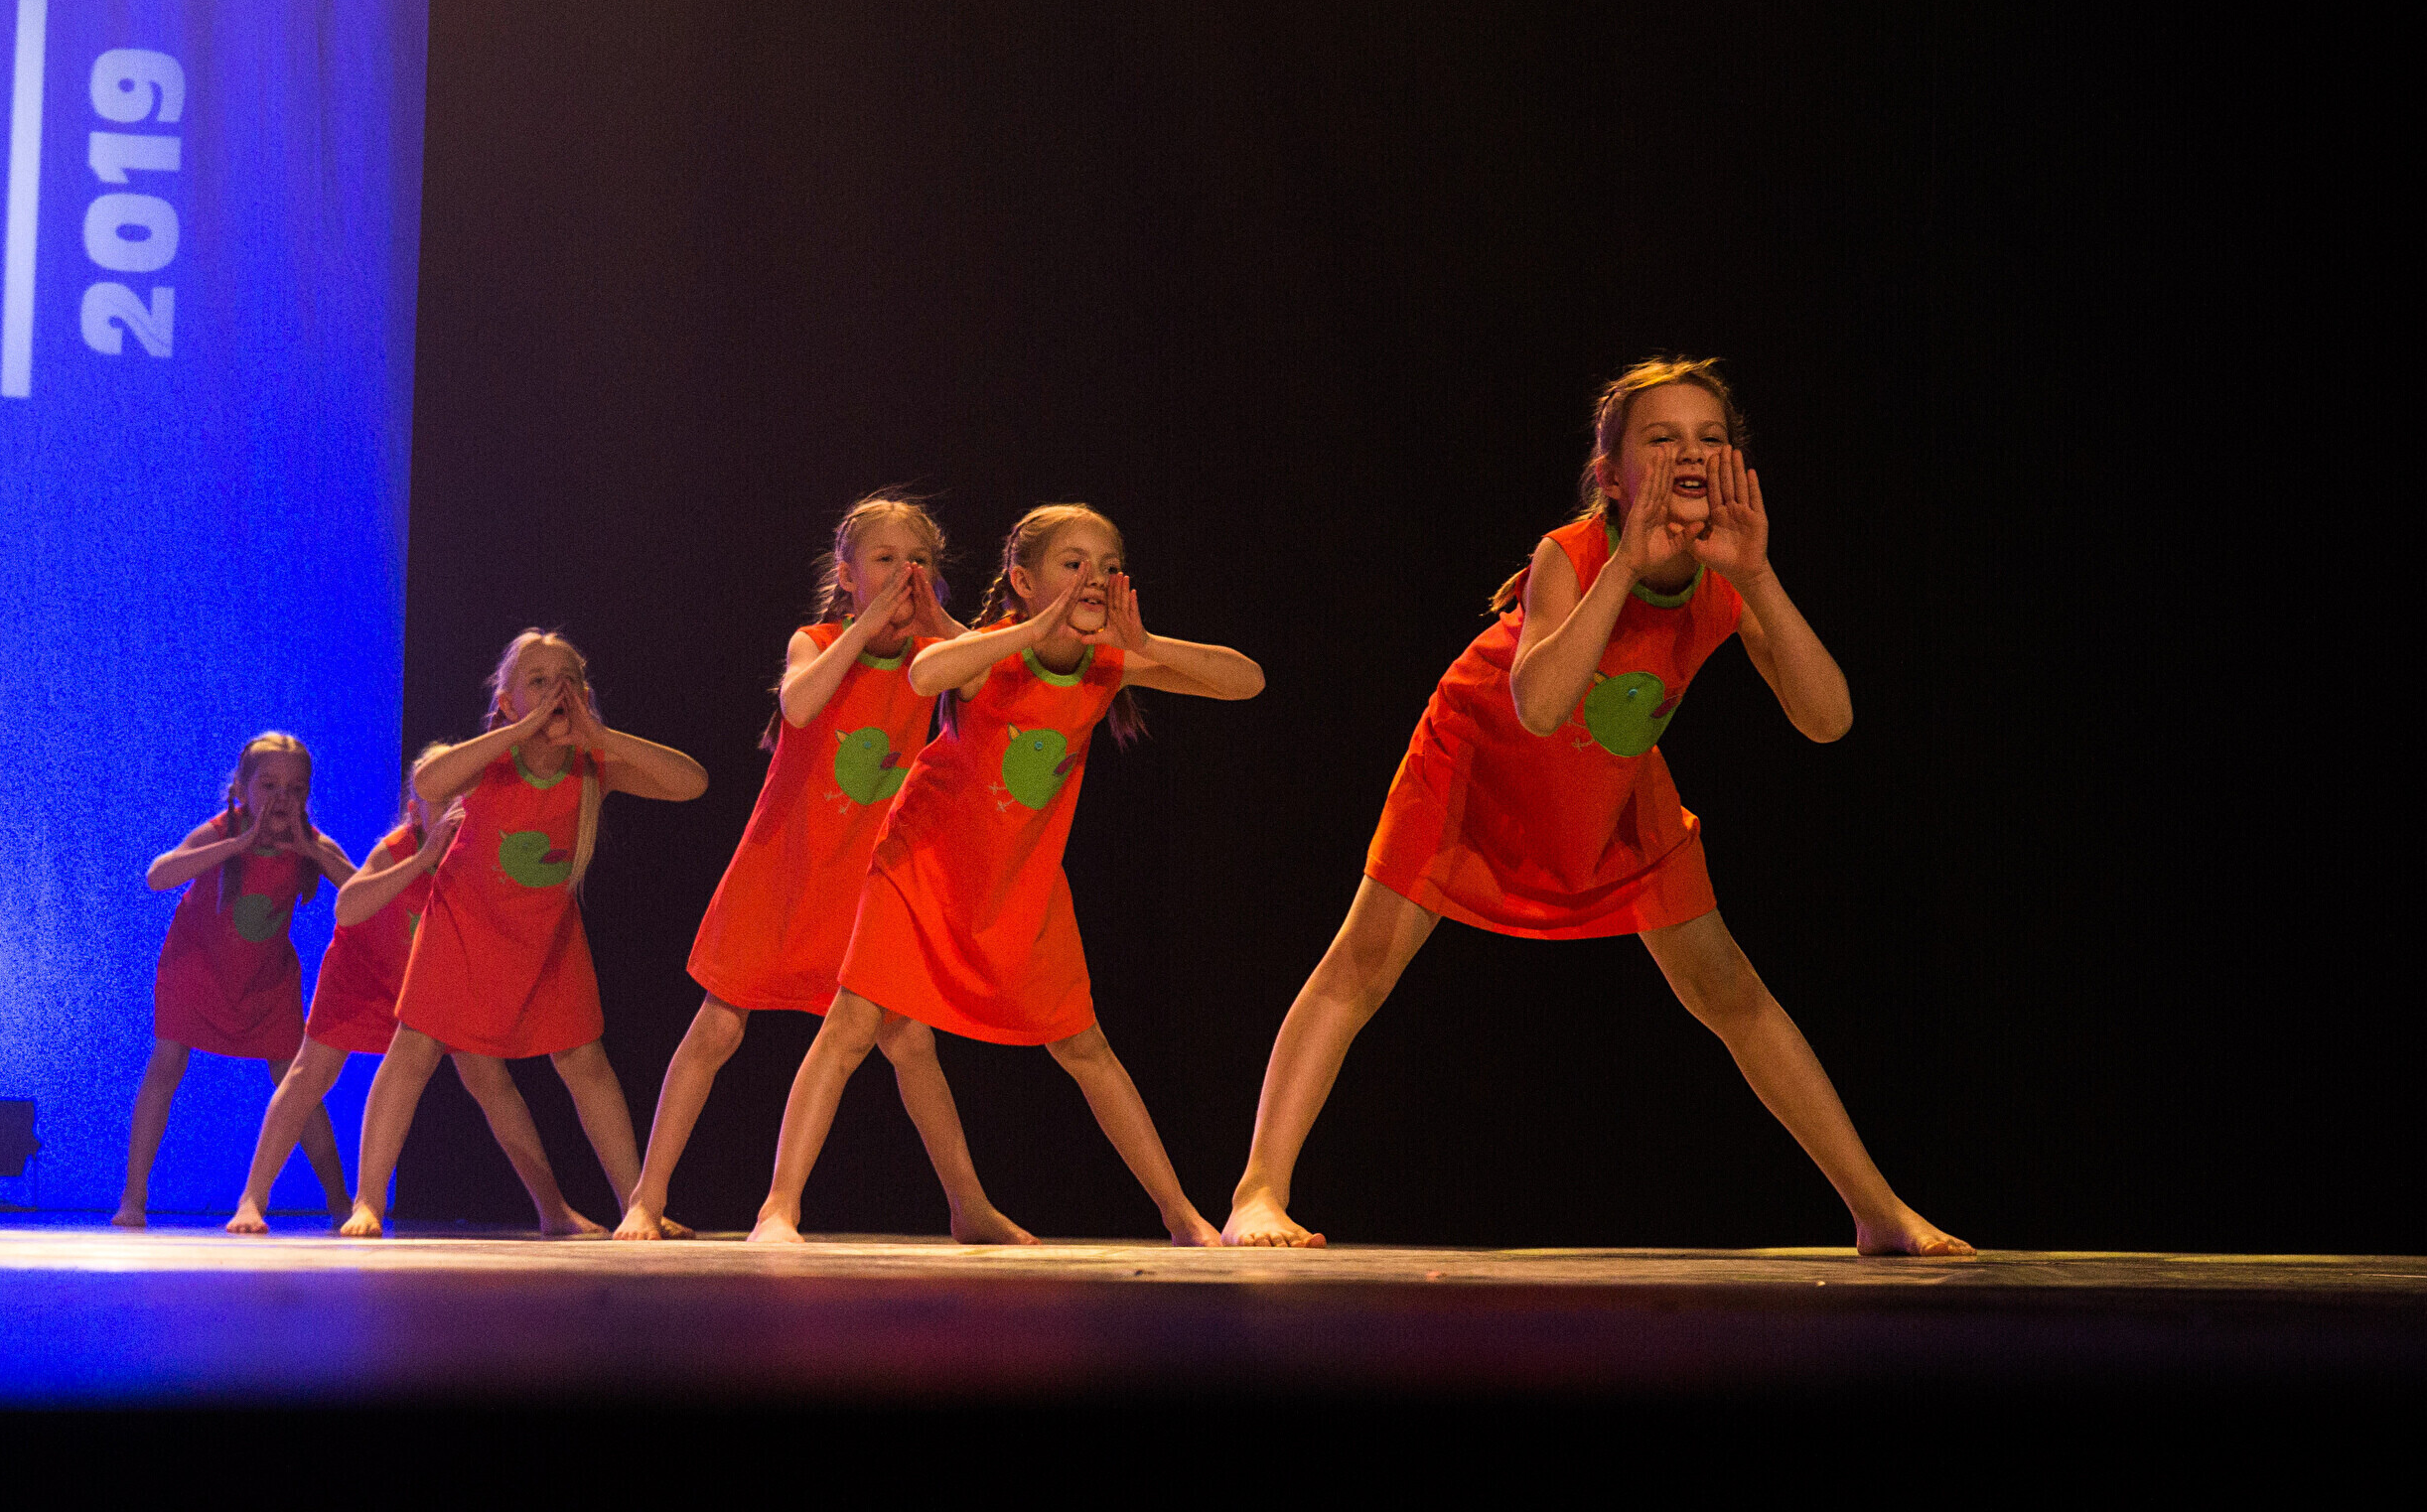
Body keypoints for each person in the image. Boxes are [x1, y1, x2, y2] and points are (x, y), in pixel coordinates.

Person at [1221, 357, 1970, 1256]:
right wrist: (1623, 565)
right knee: (1364, 963)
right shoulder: (1569, 554)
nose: (1689, 453)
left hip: (1611, 785)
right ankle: (1258, 1191)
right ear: (1612, 476)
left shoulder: (1726, 577)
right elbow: (1539, 706)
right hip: (1478, 763)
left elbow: (1828, 720)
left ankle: (1877, 1211)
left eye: (1710, 437)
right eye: (1662, 439)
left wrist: (1759, 576)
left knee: (1729, 989)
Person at [750, 503, 1262, 1247]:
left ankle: (1180, 1215)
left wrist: (1146, 642)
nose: (1095, 578)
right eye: (1073, 564)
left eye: (1108, 566)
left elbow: (1244, 682)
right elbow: (927, 672)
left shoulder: (1105, 665)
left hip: (1020, 885)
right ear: (1023, 580)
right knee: (852, 1026)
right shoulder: (991, 654)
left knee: (1084, 1047)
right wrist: (1030, 628)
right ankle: (778, 1209)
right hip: (922, 870)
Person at [619, 494, 1030, 1242]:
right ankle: (646, 1198)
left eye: (920, 562)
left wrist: (935, 619)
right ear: (846, 574)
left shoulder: (932, 656)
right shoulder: (815, 640)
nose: (905, 573)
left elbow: (989, 679)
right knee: (717, 1028)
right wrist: (866, 626)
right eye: (886, 560)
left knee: (910, 1042)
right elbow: (800, 705)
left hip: (869, 883)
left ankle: (968, 1206)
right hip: (785, 868)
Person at [338, 630, 707, 1238]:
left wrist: (602, 736)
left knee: (585, 1062)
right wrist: (518, 729)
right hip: (463, 932)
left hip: (546, 940)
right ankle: (368, 1201)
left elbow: (692, 782)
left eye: (568, 682)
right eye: (538, 681)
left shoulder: (590, 767)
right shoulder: (489, 763)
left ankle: (638, 1204)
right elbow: (428, 782)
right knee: (414, 1051)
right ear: (507, 702)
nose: (556, 692)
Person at [224, 752, 610, 1234]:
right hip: (364, 975)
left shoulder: (479, 852)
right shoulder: (397, 848)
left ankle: (553, 1210)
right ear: (415, 811)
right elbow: (348, 907)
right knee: (308, 1074)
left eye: (464, 797)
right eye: (441, 800)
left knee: (491, 1081)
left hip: (431, 982)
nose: (455, 809)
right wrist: (424, 860)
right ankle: (254, 1200)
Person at [114, 732, 354, 1228]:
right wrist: (238, 845)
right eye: (268, 785)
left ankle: (340, 1203)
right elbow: (158, 876)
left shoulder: (309, 841)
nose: (281, 798)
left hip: (265, 979)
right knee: (167, 1061)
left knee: (297, 1080)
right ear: (242, 789)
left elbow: (364, 893)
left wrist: (312, 853)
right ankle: (132, 1198)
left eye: (294, 789)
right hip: (197, 967)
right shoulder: (222, 831)